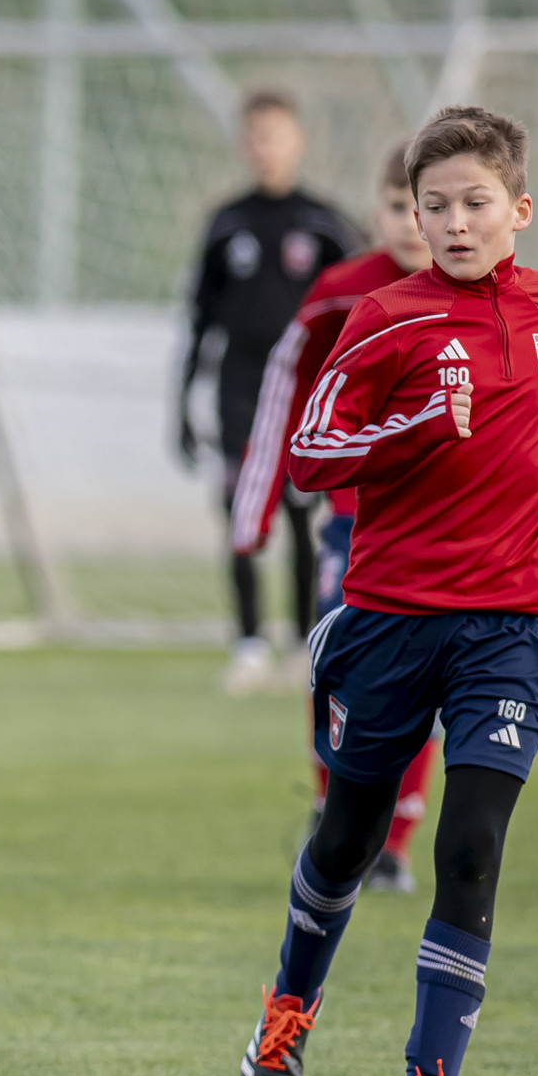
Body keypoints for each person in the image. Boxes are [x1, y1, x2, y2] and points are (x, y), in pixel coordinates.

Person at [234, 106, 538, 1076]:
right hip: (392, 619)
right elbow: (313, 452)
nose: (454, 223)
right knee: (346, 840)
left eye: (475, 204)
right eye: (435, 206)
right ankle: (288, 1009)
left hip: (512, 621)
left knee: (472, 847)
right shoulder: (384, 318)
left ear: (519, 210)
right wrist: (410, 429)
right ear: (413, 214)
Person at [232, 142, 437, 892]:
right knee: (337, 669)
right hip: (353, 523)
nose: (412, 223)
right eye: (397, 207)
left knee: (420, 687)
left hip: (441, 534)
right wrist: (256, 502)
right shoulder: (341, 292)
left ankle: (394, 841)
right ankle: (332, 808)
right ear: (375, 211)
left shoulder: (481, 298)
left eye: (426, 208)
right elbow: (285, 388)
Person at [178, 88, 363, 694]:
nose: (266, 147)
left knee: (301, 512)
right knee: (238, 510)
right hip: (239, 389)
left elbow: (362, 312)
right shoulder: (226, 223)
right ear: (243, 143)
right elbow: (199, 321)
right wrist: (182, 404)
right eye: (256, 136)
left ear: (297, 141)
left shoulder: (325, 223)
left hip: (304, 393)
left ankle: (304, 642)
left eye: (276, 135)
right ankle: (249, 642)